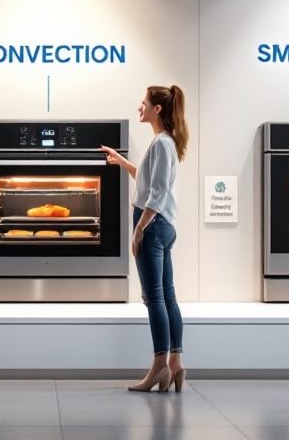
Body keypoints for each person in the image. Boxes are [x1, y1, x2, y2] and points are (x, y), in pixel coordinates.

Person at [100, 85, 189, 393]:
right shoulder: (163, 143)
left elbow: (158, 192)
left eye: (144, 103)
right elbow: (149, 181)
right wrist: (123, 163)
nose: (140, 107)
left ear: (158, 110)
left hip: (153, 225)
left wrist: (140, 228)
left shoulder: (162, 144)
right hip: (162, 224)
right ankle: (175, 364)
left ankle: (158, 368)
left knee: (154, 300)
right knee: (167, 296)